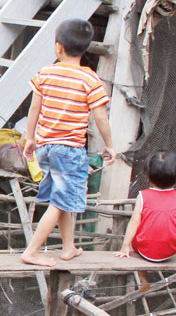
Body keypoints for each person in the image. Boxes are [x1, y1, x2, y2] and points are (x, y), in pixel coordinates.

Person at [20, 19, 115, 267]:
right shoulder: (89, 79)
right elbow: (100, 116)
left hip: (46, 147)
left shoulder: (45, 73)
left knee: (60, 198)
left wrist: (30, 138)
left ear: (58, 47)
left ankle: (68, 246)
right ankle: (31, 251)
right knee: (61, 201)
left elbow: (34, 109)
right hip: (70, 150)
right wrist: (110, 144)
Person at [116, 151, 176, 291]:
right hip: (172, 249)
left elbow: (134, 222)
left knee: (139, 232)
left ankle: (142, 276)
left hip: (144, 250)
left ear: (147, 175)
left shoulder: (143, 195)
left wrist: (125, 246)